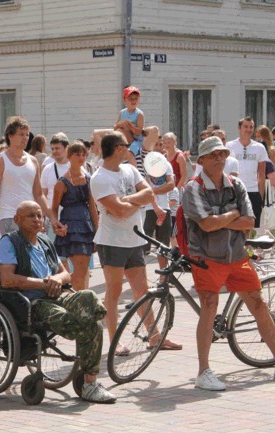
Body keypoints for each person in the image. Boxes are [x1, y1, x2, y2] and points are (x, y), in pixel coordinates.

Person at [182, 136, 275, 391]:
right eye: (214, 154)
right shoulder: (194, 188)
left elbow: (249, 222)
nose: (220, 158)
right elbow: (205, 224)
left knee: (259, 304)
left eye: (223, 154)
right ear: (202, 160)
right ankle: (203, 372)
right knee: (209, 306)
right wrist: (231, 215)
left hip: (237, 256)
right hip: (207, 258)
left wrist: (220, 219)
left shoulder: (236, 184)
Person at [0, 201, 116, 403]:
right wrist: (44, 284)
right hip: (33, 302)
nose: (37, 220)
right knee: (91, 324)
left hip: (57, 293)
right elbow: (7, 279)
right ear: (17, 220)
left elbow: (66, 275)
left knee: (88, 296)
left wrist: (56, 280)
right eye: (31, 216)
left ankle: (90, 382)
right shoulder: (10, 242)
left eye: (39, 216)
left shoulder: (45, 241)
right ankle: (89, 383)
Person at [91, 131, 179, 354]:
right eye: (126, 146)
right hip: (112, 242)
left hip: (133, 240)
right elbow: (119, 211)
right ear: (118, 149)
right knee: (114, 291)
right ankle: (114, 341)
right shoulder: (99, 178)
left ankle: (154, 336)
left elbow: (149, 193)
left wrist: (127, 201)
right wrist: (132, 203)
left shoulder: (129, 170)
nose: (130, 150)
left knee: (142, 290)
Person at [0, 116, 63, 249]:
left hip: (31, 218)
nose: (25, 138)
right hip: (9, 217)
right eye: (21, 134)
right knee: (17, 259)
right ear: (10, 136)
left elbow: (39, 194)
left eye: (27, 134)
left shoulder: (33, 161)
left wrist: (52, 218)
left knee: (31, 260)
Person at [52, 141, 99, 290]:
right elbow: (53, 208)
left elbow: (93, 206)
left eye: (84, 154)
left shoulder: (88, 178)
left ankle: (82, 299)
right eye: (77, 154)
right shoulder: (62, 182)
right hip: (71, 226)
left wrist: (97, 231)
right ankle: (79, 301)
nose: (81, 157)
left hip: (86, 225)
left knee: (84, 269)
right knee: (80, 269)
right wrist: (56, 225)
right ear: (69, 156)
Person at [140, 128, 177, 283]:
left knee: (163, 245)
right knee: (144, 246)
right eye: (157, 145)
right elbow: (144, 188)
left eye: (162, 145)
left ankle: (164, 277)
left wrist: (153, 191)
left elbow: (170, 185)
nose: (160, 148)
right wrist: (153, 200)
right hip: (148, 210)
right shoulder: (145, 164)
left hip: (165, 209)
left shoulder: (166, 165)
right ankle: (141, 279)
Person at [226, 117, 269, 231]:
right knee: (235, 224)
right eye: (246, 126)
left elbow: (262, 173)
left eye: (251, 127)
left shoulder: (259, 148)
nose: (248, 129)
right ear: (239, 128)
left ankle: (250, 248)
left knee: (252, 226)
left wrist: (261, 195)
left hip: (253, 191)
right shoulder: (229, 146)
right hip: (235, 192)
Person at [41, 133, 71, 241]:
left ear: (67, 148)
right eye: (52, 148)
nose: (54, 151)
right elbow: (42, 195)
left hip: (71, 218)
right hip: (52, 218)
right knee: (53, 254)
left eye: (57, 148)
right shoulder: (47, 169)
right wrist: (41, 218)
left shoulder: (76, 168)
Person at [115, 85, 144, 153]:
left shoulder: (139, 114)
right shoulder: (122, 113)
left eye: (136, 98)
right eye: (131, 99)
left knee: (124, 130)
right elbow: (115, 128)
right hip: (123, 141)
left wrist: (129, 125)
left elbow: (139, 132)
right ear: (125, 100)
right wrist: (119, 125)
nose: (134, 101)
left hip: (136, 142)